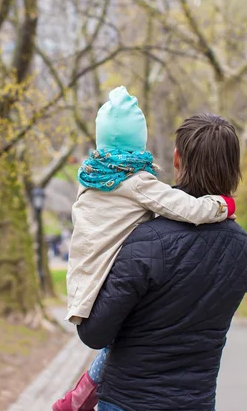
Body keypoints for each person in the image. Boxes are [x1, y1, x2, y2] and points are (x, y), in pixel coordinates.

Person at [53, 88, 235, 410]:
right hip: (197, 400)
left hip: (128, 398)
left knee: (109, 345)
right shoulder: (241, 248)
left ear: (177, 158)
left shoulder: (93, 181)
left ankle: (78, 397)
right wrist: (223, 207)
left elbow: (95, 334)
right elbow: (187, 209)